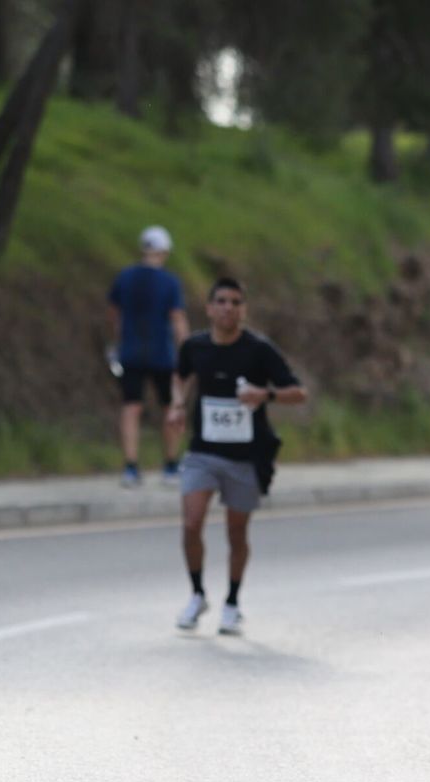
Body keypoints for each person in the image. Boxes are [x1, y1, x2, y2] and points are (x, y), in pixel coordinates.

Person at [168, 278, 308, 636]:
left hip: (245, 456)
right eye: (222, 301)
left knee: (236, 531)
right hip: (203, 451)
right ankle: (198, 593)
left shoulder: (259, 350)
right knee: (191, 522)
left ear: (243, 309)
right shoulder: (195, 346)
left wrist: (265, 395)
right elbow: (180, 375)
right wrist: (178, 404)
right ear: (210, 308)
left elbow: (298, 392)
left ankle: (232, 602)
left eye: (236, 302)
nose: (229, 308)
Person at [108, 225, 189, 487]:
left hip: (130, 352)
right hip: (162, 354)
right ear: (164, 252)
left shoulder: (124, 278)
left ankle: (131, 467)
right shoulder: (169, 282)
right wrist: (186, 351)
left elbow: (114, 315)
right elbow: (177, 320)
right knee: (171, 407)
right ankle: (170, 465)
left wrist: (120, 340)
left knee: (131, 407)